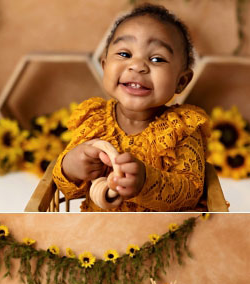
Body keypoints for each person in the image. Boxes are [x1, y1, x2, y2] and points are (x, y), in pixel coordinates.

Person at [52, 4, 210, 211]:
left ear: (181, 81)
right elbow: (66, 188)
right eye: (125, 54)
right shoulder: (94, 120)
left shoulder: (182, 128)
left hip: (164, 229)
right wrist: (71, 167)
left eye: (157, 59)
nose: (137, 66)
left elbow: (192, 192)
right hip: (96, 227)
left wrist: (146, 182)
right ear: (104, 66)